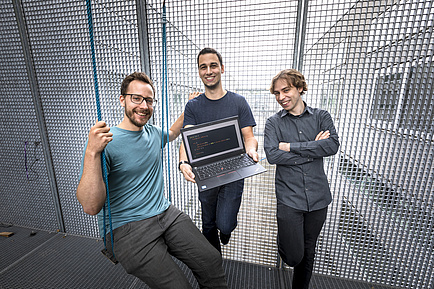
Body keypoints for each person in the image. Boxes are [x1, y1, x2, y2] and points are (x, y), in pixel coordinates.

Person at [76, 72, 227, 289]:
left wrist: (189, 107)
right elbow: (91, 206)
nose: (144, 106)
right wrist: (91, 152)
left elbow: (173, 133)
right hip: (126, 227)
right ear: (122, 99)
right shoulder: (105, 143)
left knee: (211, 260)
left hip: (165, 213)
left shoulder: (152, 133)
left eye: (149, 100)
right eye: (136, 98)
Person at [264, 69, 340, 289]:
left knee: (308, 251)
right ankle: (286, 243)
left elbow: (332, 146)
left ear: (299, 88)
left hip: (318, 199)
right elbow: (272, 155)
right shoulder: (273, 123)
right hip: (289, 199)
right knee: (293, 257)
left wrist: (291, 147)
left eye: (285, 90)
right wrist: (314, 149)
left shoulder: (321, 116)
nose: (281, 97)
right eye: (277, 93)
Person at [179, 48, 259, 252]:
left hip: (234, 171)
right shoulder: (193, 106)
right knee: (207, 225)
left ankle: (226, 230)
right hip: (205, 173)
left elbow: (249, 137)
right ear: (199, 72)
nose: (208, 71)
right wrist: (183, 163)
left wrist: (251, 151)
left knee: (224, 224)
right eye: (203, 67)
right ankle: (214, 265)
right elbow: (186, 140)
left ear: (222, 68)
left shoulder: (238, 102)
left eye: (213, 65)